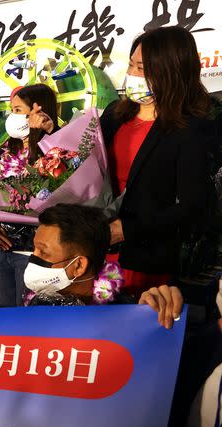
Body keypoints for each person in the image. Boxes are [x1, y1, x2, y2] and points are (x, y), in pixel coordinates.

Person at [100, 26, 213, 298]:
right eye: (131, 65)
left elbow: (193, 207)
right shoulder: (114, 116)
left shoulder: (190, 130)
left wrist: (127, 229)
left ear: (170, 71)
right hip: (98, 251)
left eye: (142, 68)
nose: (133, 75)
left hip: (146, 261)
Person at [24, 204, 183, 329]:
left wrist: (151, 316)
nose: (32, 259)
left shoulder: (124, 317)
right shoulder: (33, 308)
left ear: (78, 265)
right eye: (34, 249)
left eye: (43, 252)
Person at [0, 84, 58, 306]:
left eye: (17, 110)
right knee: (2, 314)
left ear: (37, 111)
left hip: (32, 250)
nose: (11, 115)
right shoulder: (6, 149)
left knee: (27, 314)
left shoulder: (52, 149)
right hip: (1, 246)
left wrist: (47, 130)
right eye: (11, 109)